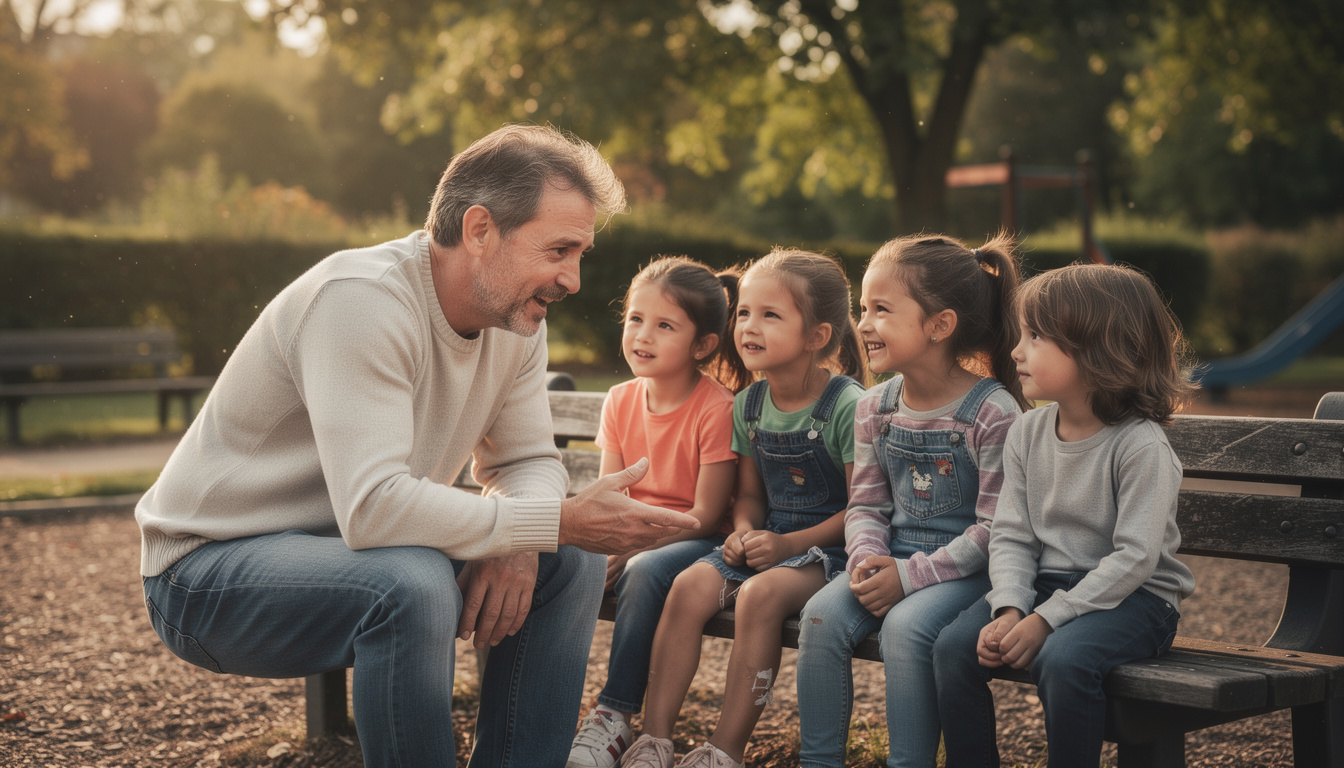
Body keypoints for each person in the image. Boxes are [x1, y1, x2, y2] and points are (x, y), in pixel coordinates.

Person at [135, 124, 701, 768]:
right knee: (413, 584)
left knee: (566, 566)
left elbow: (526, 461)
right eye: (559, 250)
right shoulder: (361, 302)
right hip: (205, 573)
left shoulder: (515, 316)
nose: (573, 279)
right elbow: (374, 507)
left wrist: (523, 537)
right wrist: (549, 521)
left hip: (346, 552)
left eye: (581, 254)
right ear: (480, 229)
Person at [931, 263, 1198, 768]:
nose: (1015, 350)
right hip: (1047, 588)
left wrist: (1045, 622)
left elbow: (1136, 559)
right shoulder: (1027, 432)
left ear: (1098, 349)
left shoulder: (1141, 447)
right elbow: (1012, 535)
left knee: (1065, 658)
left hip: (1136, 600)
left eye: (1036, 336)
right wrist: (1010, 608)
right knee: (952, 650)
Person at [619, 248, 868, 768]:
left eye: (770, 315)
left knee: (758, 597)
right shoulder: (749, 405)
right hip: (766, 540)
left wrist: (788, 544)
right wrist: (743, 529)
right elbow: (750, 495)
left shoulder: (846, 405)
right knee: (688, 586)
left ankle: (724, 750)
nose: (749, 326)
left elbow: (862, 509)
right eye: (745, 313)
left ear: (817, 336)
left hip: (831, 551)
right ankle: (654, 739)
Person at [794, 234, 1027, 768]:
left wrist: (911, 577)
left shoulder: (993, 413)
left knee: (905, 627)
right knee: (820, 620)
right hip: (887, 560)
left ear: (939, 325)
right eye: (862, 309)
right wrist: (864, 562)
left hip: (966, 570)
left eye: (882, 309)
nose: (865, 323)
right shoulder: (874, 406)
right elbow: (867, 507)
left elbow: (996, 530)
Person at [567, 256, 753, 768]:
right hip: (633, 535)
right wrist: (604, 544)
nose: (642, 335)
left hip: (695, 541)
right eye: (635, 319)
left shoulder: (716, 409)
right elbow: (614, 494)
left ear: (703, 345)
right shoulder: (620, 400)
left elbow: (705, 512)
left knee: (644, 571)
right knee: (553, 561)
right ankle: (547, 710)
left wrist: (631, 546)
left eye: (664, 325)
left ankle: (614, 716)